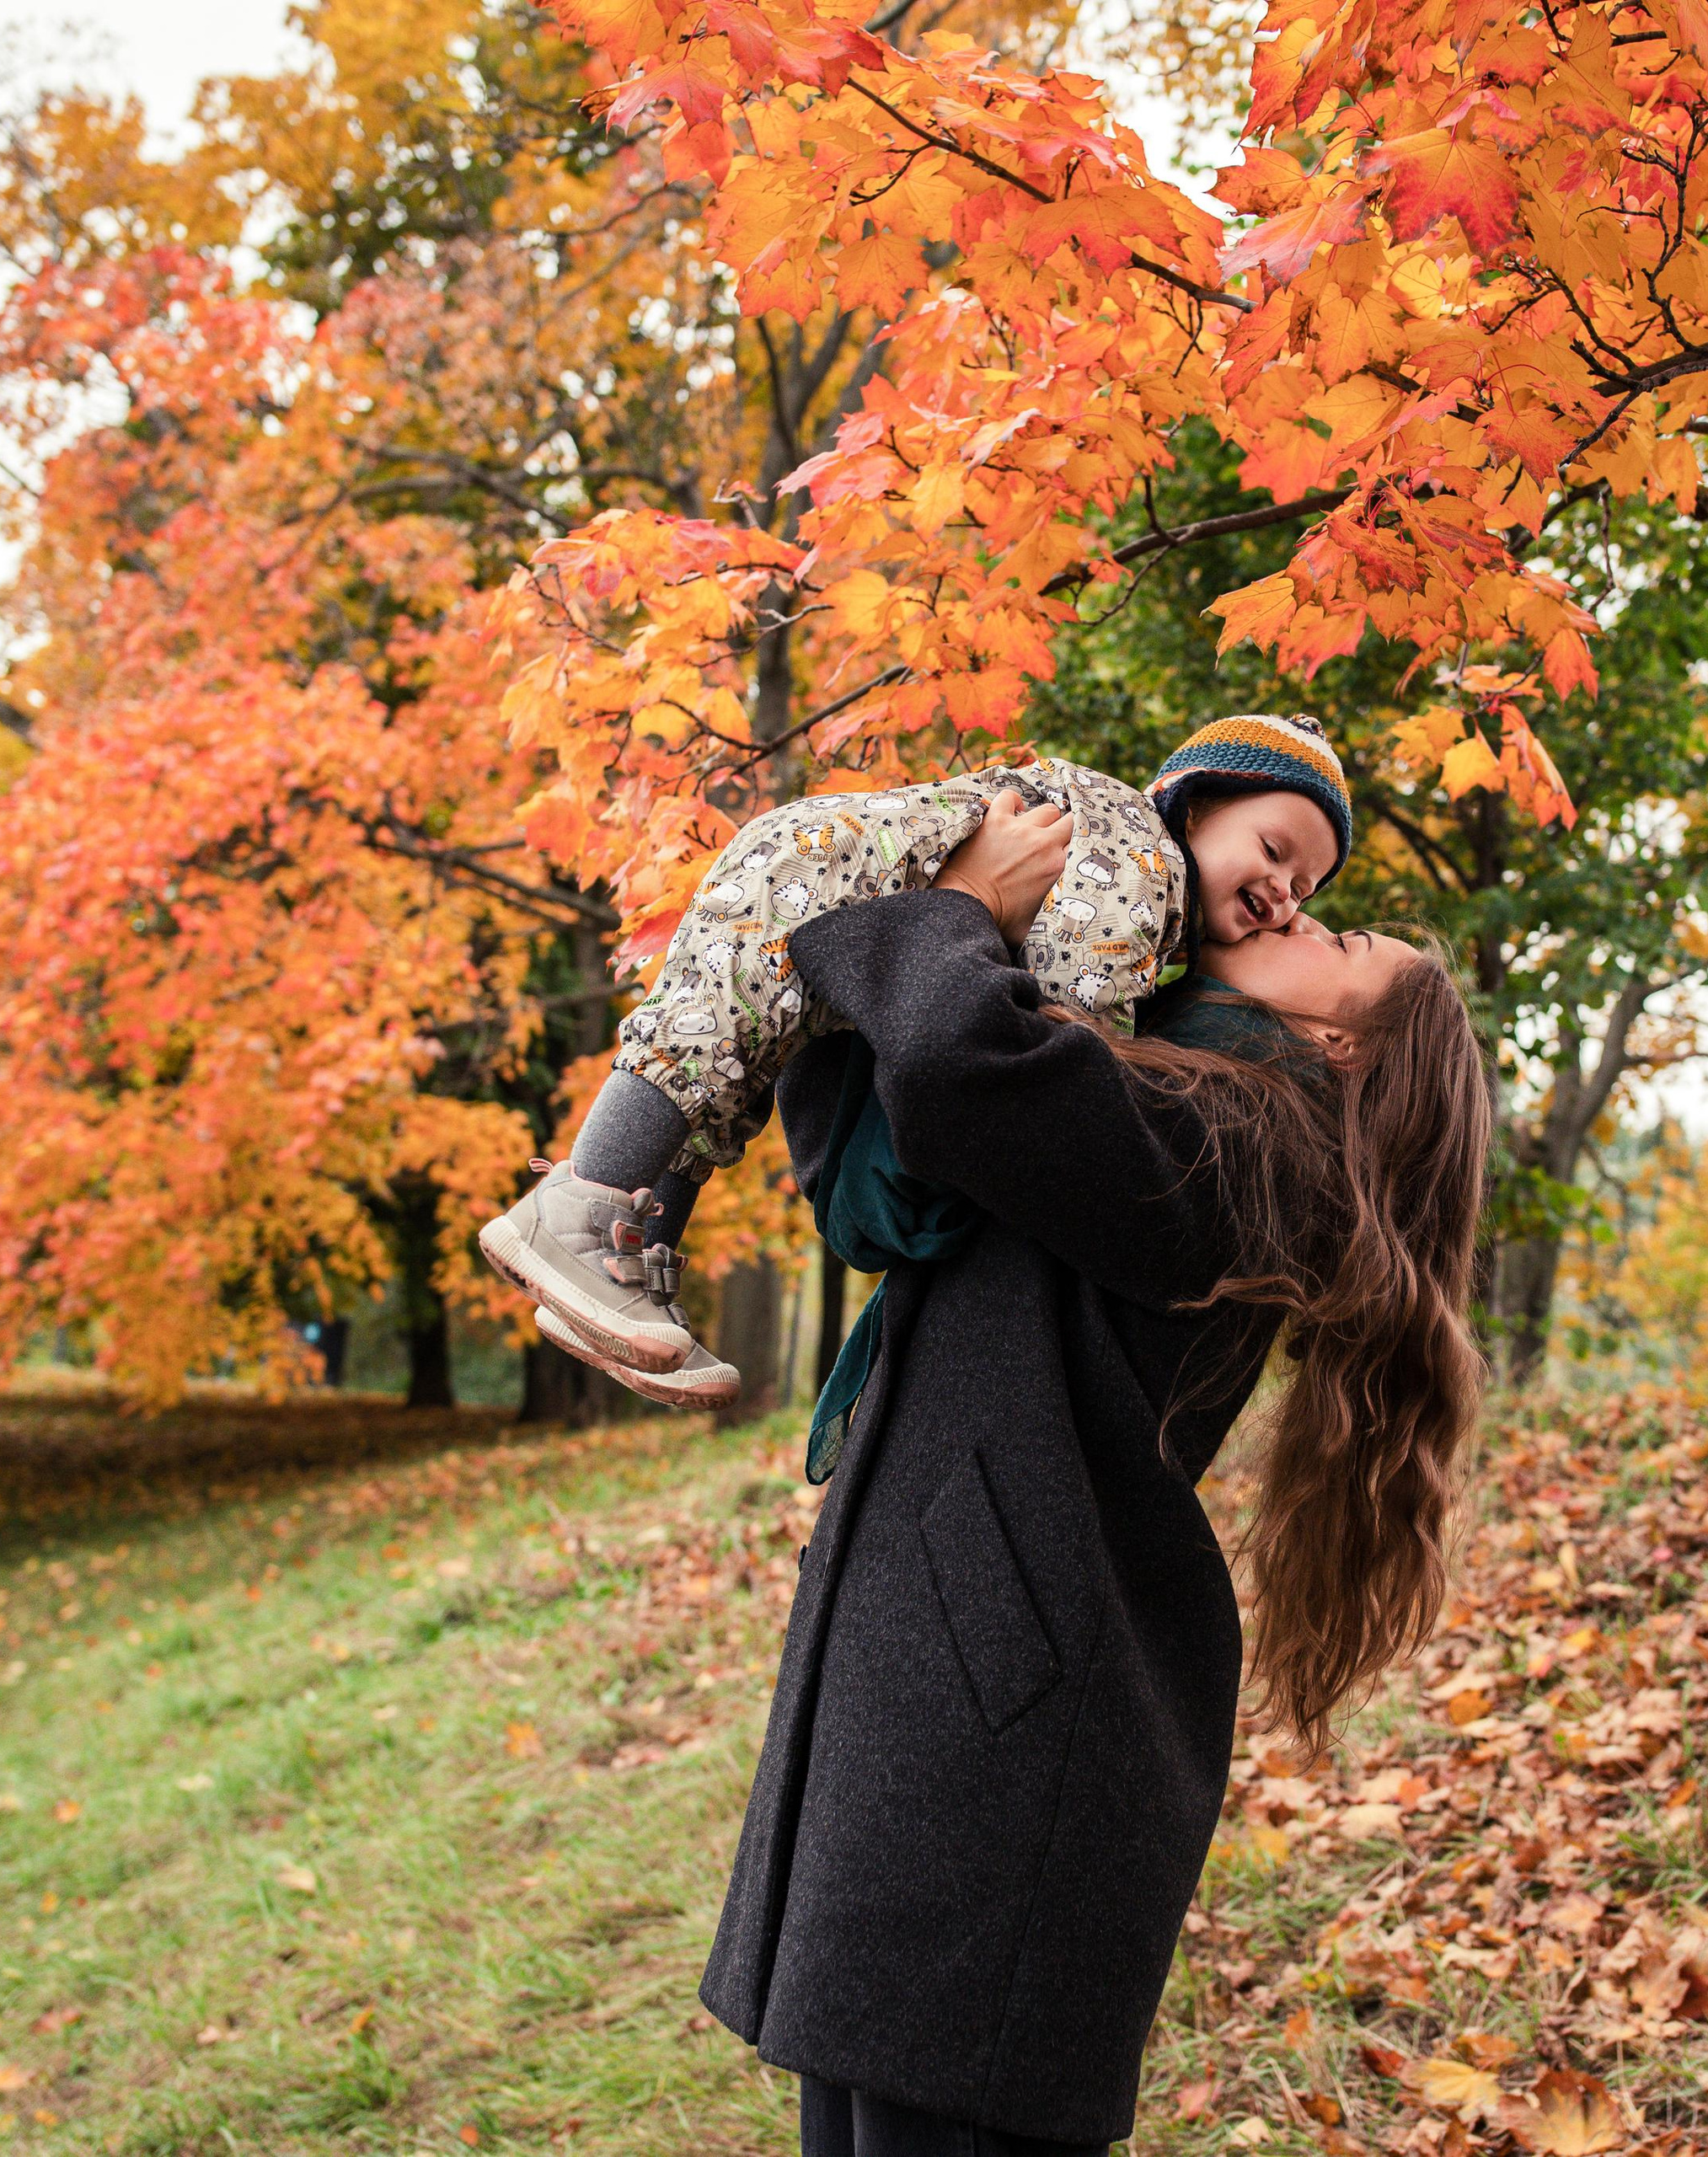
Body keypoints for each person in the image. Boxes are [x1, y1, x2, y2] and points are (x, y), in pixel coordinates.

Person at [695, 800, 1490, 2154]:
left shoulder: (1262, 1149)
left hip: (1012, 1722)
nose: (1298, 909)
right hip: (971, 1687)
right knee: (872, 2104)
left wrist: (962, 905)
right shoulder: (1180, 1085)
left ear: (1345, 1045)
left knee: (923, 2112)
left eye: (1340, 934)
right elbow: (912, 1135)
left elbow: (960, 1062)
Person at [479, 715, 1357, 1404]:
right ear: (1194, 805)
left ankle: (619, 1270)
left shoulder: (1158, 888)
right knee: (699, 1055)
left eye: (1306, 889)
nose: (1284, 891)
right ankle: (579, 1212)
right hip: (808, 890)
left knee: (722, 1085)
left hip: (834, 910)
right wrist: (1101, 1078)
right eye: (1275, 852)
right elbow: (1078, 1008)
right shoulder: (1141, 859)